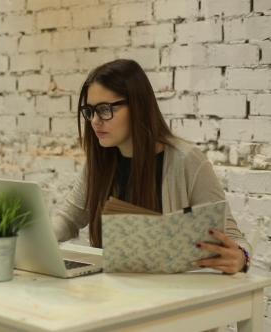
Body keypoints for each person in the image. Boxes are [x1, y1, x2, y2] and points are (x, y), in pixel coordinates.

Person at [51, 59, 250, 275]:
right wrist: (33, 238)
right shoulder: (100, 161)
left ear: (137, 106)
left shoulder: (187, 161)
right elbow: (68, 218)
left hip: (170, 295)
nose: (95, 121)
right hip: (108, 290)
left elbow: (234, 240)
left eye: (104, 109)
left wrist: (241, 258)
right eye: (90, 111)